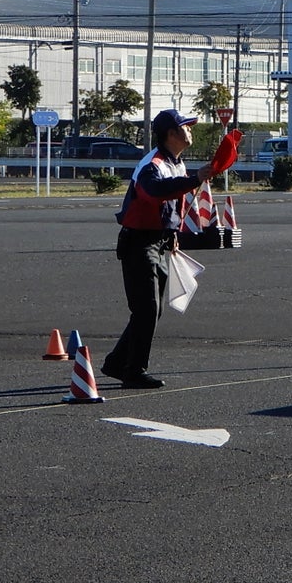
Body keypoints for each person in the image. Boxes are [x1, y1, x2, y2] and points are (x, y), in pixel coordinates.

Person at [102, 109, 214, 388]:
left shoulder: (175, 162)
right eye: (186, 126)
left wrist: (172, 232)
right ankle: (134, 371)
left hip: (158, 241)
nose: (191, 130)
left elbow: (171, 203)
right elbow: (154, 192)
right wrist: (194, 179)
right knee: (147, 309)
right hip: (139, 242)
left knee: (151, 310)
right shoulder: (153, 164)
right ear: (171, 133)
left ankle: (118, 362)